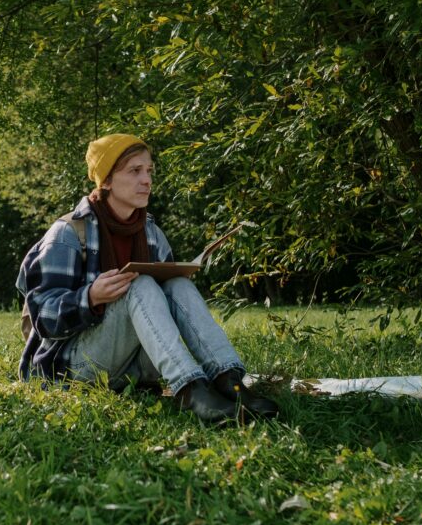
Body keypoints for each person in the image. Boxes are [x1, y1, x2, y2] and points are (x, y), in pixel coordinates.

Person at [16, 134, 278, 423]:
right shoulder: (68, 233)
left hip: (136, 365)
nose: (147, 180)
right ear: (106, 180)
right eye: (134, 171)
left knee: (178, 283)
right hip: (77, 368)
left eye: (149, 171)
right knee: (138, 284)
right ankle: (192, 392)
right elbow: (44, 319)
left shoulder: (151, 232)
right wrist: (89, 298)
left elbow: (167, 310)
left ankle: (230, 382)